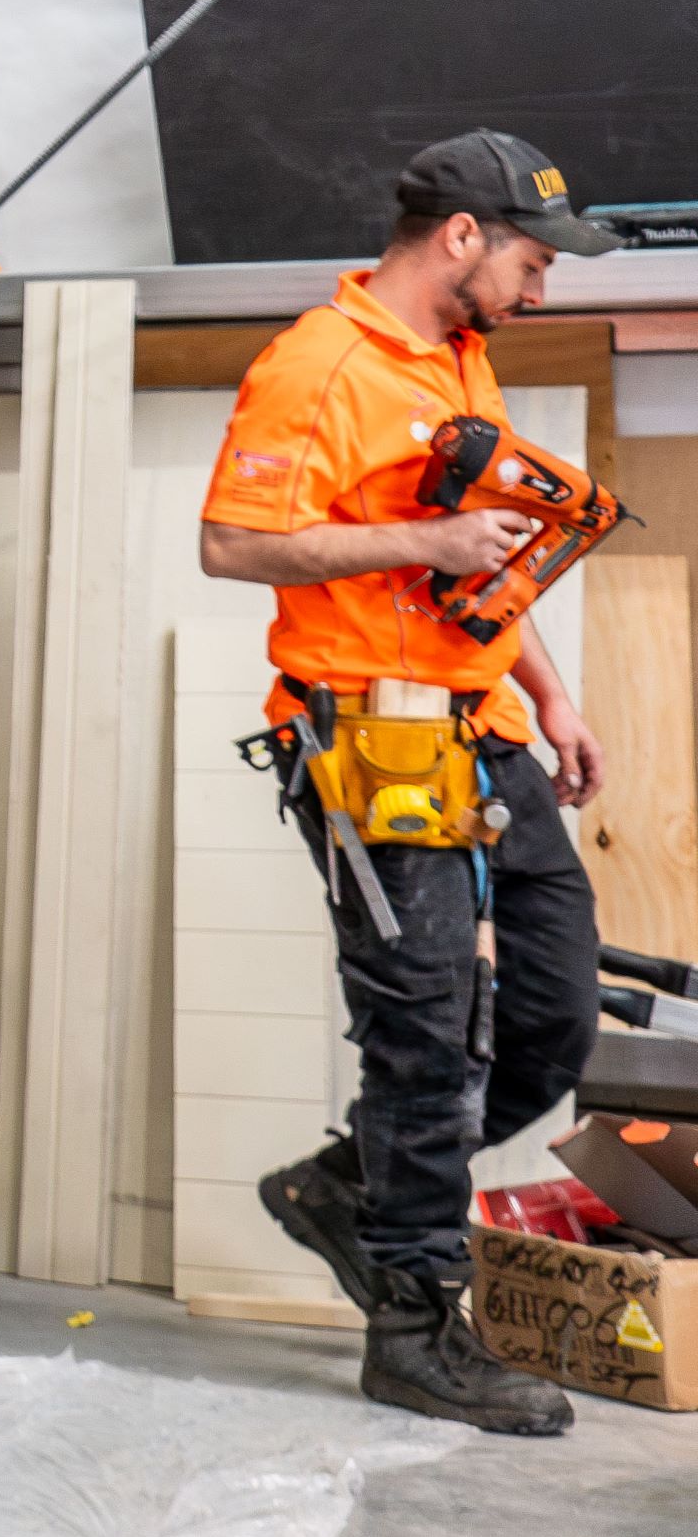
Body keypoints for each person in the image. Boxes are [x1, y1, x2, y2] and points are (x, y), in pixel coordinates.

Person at [207, 132, 619, 1436]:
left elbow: (478, 556)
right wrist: (420, 533)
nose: (541, 290)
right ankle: (415, 1328)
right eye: (533, 262)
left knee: (552, 1019)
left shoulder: (459, 354)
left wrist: (547, 688)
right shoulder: (314, 366)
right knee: (427, 1037)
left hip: (482, 723)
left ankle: (347, 1190)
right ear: (460, 237)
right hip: (369, 743)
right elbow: (232, 539)